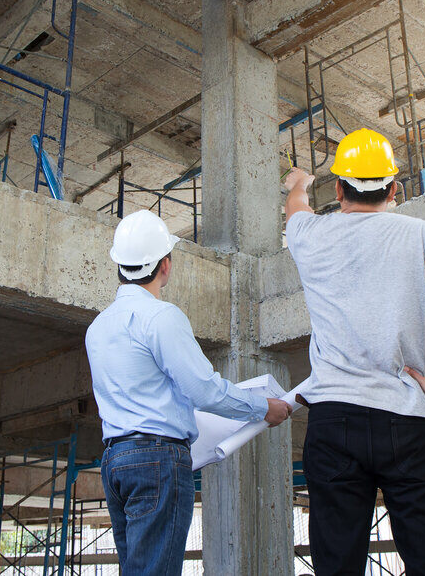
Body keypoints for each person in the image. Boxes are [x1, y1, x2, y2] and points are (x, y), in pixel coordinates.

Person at [282, 128, 425, 576]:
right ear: (394, 189)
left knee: (336, 564)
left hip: (334, 419)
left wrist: (299, 183)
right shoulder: (421, 233)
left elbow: (296, 210)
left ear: (339, 189)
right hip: (409, 419)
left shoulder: (309, 234)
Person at [85, 209, 291, 575]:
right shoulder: (162, 318)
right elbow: (204, 391)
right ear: (165, 265)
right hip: (157, 460)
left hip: (115, 460)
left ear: (119, 265)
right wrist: (263, 408)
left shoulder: (97, 328)